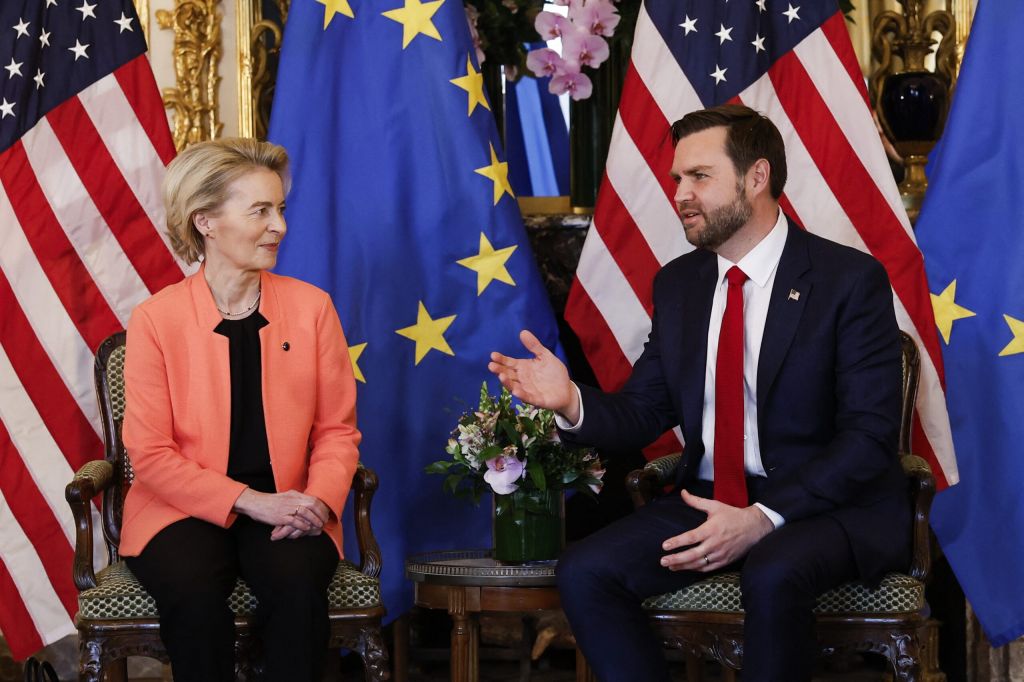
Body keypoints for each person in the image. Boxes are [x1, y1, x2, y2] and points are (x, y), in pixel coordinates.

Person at [488, 104, 911, 681]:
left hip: (826, 504)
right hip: (708, 497)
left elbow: (867, 440)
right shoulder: (680, 284)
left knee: (773, 569)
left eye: (699, 177)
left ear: (757, 177)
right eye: (676, 179)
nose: (681, 193)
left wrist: (764, 515)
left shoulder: (848, 281)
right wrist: (570, 401)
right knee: (585, 570)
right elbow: (643, 411)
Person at [120, 138, 361, 681]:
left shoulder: (312, 308)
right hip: (179, 508)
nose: (279, 225)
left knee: (297, 586)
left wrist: (317, 503)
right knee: (192, 591)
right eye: (260, 211)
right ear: (204, 221)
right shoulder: (156, 320)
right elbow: (152, 456)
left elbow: (337, 433)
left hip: (291, 500)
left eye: (280, 209)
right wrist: (251, 502)